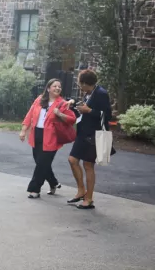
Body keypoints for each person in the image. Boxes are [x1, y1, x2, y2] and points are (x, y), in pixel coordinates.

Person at [20, 78, 76, 198]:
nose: (57, 88)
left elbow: (72, 119)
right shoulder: (40, 99)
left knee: (41, 164)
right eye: (55, 86)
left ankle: (34, 189)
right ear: (48, 88)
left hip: (51, 137)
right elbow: (29, 115)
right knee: (41, 163)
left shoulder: (62, 103)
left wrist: (59, 113)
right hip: (37, 135)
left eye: (59, 87)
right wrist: (24, 130)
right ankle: (53, 182)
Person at [66, 69, 112, 210]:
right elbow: (85, 109)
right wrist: (75, 105)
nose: (79, 86)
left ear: (86, 83)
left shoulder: (101, 93)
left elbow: (107, 115)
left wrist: (89, 111)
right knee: (72, 160)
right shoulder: (89, 93)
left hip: (94, 135)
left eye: (80, 83)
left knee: (88, 165)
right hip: (83, 133)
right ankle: (81, 190)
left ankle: (89, 198)